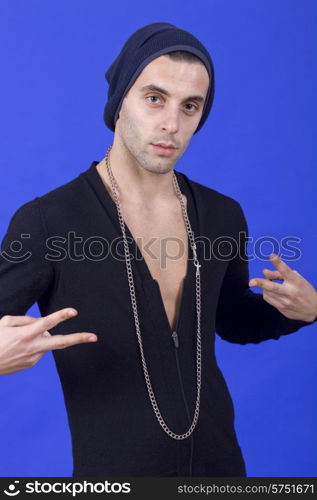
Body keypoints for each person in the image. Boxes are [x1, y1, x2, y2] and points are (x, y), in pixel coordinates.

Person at [0, 22, 316, 478]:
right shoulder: (49, 222)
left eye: (191, 106)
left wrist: (301, 312)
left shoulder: (221, 215)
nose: (172, 123)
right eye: (155, 98)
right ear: (119, 103)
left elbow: (231, 320)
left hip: (222, 473)